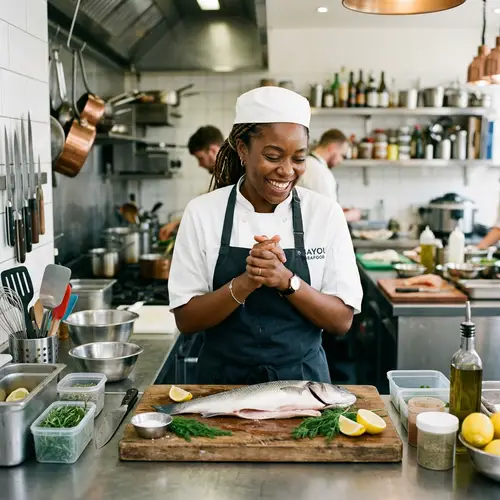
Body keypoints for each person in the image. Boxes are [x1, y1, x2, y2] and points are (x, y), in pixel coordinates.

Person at [168, 86, 363, 385]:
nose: (286, 171)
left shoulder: (325, 214)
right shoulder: (202, 212)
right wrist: (247, 282)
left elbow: (341, 321)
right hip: (221, 386)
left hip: (302, 387)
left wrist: (286, 280)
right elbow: (186, 319)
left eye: (299, 158)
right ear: (243, 150)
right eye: (273, 156)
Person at [159, 125, 223, 240]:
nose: (199, 164)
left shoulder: (230, 174)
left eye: (200, 158)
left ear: (213, 151)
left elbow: (213, 213)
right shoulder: (223, 174)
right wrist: (178, 222)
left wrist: (178, 223)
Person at [298, 129, 360, 222]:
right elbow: (327, 215)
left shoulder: (311, 164)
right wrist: (350, 216)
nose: (341, 161)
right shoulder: (318, 171)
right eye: (342, 155)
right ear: (332, 148)